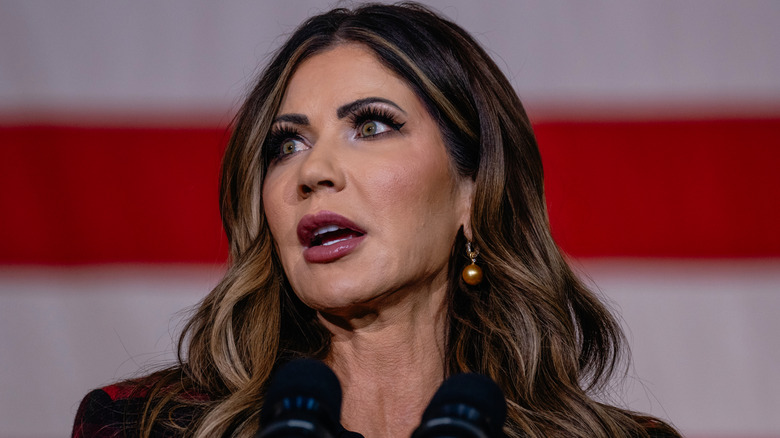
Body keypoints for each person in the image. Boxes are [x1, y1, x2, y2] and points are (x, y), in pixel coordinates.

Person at [72, 3, 680, 438]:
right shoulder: (139, 425)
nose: (314, 170)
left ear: (473, 192)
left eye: (371, 125)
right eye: (286, 144)